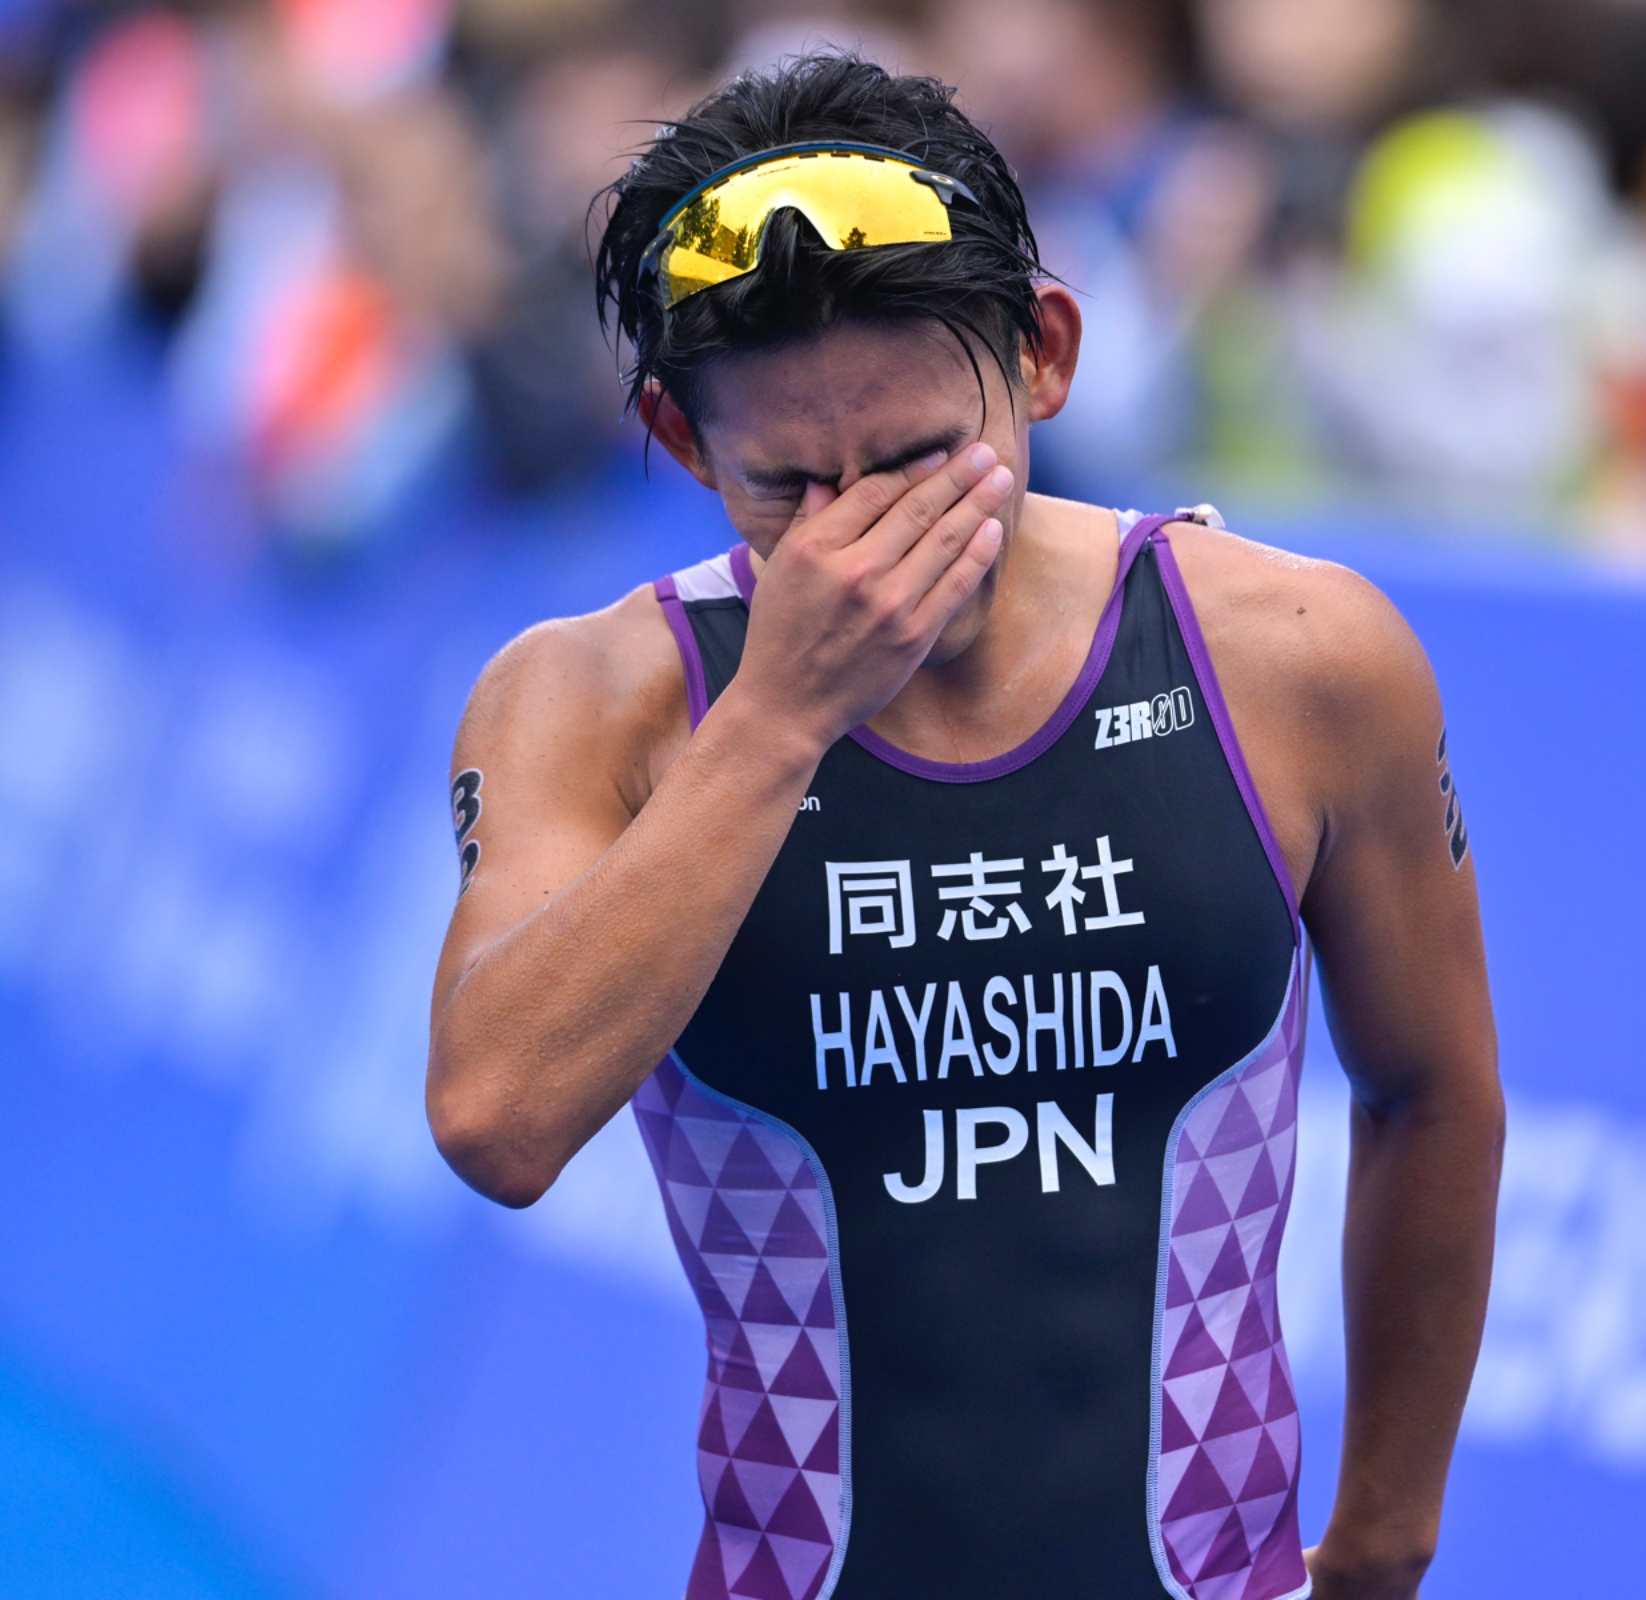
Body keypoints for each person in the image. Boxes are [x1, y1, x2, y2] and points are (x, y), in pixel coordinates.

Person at [426, 54, 1502, 1600]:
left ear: (1043, 354)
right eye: (791, 487)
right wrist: (781, 716)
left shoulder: (1295, 654)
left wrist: (1386, 1542)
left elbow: (1433, 1091)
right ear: (681, 438)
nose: (869, 542)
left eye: (926, 462)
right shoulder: (593, 702)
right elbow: (497, 1121)